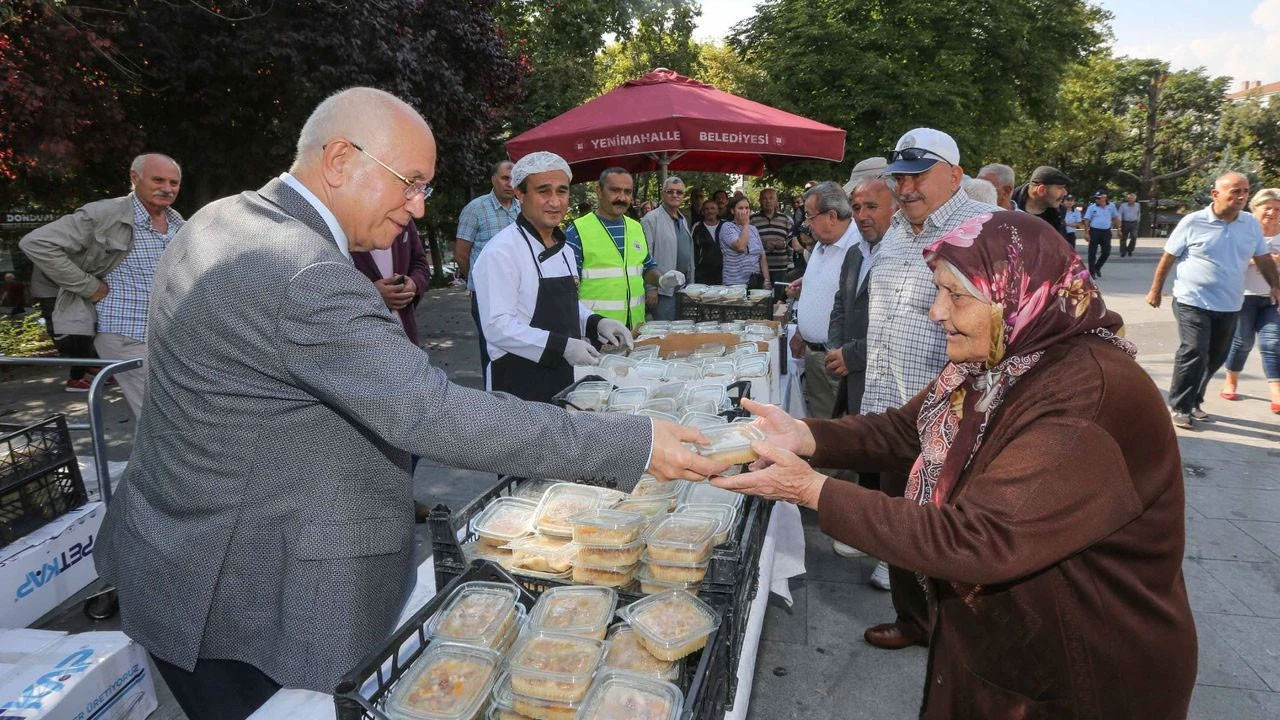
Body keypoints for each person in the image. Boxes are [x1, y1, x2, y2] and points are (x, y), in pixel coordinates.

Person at [92, 88, 725, 720]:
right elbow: (430, 412)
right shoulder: (300, 269)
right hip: (245, 597)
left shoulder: (221, 217)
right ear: (340, 159)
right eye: (411, 182)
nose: (419, 206)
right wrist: (634, 442)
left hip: (182, 556)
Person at [714, 210, 1196, 720]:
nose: (936, 312)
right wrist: (806, 434)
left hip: (1081, 671)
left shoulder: (1087, 399)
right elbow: (909, 429)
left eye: (956, 296)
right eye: (938, 291)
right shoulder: (1005, 357)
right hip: (1004, 646)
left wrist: (812, 490)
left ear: (1017, 292)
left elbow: (978, 539)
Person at [859, 126, 999, 651]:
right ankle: (914, 621)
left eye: (919, 175)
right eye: (900, 177)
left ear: (956, 175)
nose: (906, 187)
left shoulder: (983, 228)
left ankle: (967, 633)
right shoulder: (896, 231)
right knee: (901, 521)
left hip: (956, 415)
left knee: (954, 528)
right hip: (893, 409)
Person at [20, 153, 184, 415]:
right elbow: (36, 243)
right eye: (158, 180)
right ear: (135, 178)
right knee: (162, 418)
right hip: (126, 334)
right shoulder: (105, 214)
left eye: (173, 183)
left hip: (170, 336)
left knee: (177, 415)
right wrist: (89, 287)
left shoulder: (177, 222)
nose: (167, 188)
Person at [473, 152, 634, 402]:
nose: (555, 202)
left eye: (562, 191)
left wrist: (596, 323)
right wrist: (563, 346)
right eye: (543, 191)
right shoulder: (501, 251)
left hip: (562, 376)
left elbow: (566, 307)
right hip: (518, 381)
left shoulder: (565, 250)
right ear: (520, 193)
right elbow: (498, 327)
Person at [1147, 172, 1280, 428]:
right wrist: (1156, 289)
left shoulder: (1250, 224)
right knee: (1194, 350)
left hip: (1230, 303)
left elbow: (1263, 258)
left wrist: (1275, 285)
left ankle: (1194, 401)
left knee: (1216, 356)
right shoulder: (1193, 222)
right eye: (1235, 191)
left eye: (1245, 191)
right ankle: (1180, 406)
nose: (1242, 196)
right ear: (1215, 194)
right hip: (1191, 299)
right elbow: (1169, 256)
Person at [826, 175, 893, 565]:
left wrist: (852, 354)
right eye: (857, 207)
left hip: (886, 376)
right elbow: (841, 302)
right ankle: (870, 536)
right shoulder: (855, 253)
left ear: (894, 208)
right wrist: (835, 346)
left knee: (890, 462)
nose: (863, 215)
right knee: (866, 453)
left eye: (872, 207)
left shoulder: (904, 254)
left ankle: (890, 553)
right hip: (854, 376)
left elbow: (903, 327)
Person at [565, 168, 675, 331]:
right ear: (599, 191)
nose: (622, 198)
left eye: (627, 192)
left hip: (635, 329)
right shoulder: (577, 231)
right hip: (596, 331)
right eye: (615, 190)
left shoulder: (636, 227)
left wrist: (661, 280)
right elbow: (566, 290)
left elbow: (647, 267)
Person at [789, 182, 861, 422]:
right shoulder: (823, 241)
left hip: (835, 358)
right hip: (814, 355)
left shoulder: (858, 246)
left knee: (841, 428)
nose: (806, 223)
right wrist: (802, 331)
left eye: (810, 216)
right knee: (821, 425)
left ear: (831, 216)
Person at [1219, 188, 1280, 413]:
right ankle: (1231, 380)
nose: (1272, 213)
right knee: (1242, 341)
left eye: (1277, 209)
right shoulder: (1243, 232)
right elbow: (1224, 261)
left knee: (1272, 343)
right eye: (1268, 208)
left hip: (1273, 298)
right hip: (1243, 296)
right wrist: (1261, 261)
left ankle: (1276, 392)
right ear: (1254, 209)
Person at [455, 161, 520, 366]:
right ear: (493, 179)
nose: (510, 184)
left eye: (514, 179)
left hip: (520, 294)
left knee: (520, 352)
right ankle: (493, 388)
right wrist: (478, 281)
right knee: (492, 353)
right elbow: (461, 255)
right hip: (487, 296)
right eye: (505, 178)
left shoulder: (523, 209)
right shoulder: (475, 209)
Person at [641, 176, 693, 320]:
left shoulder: (683, 219)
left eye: (679, 192)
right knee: (665, 328)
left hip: (682, 289)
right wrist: (650, 288)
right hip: (662, 291)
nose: (675, 195)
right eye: (670, 191)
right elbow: (645, 255)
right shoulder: (650, 219)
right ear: (662, 194)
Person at [718, 196, 769, 287]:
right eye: (741, 208)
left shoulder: (753, 229)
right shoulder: (727, 227)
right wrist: (745, 224)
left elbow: (762, 256)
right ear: (733, 211)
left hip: (754, 283)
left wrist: (766, 280)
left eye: (747, 208)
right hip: (734, 284)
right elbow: (741, 247)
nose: (744, 211)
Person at [752, 187, 795, 290]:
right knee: (761, 297)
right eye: (765, 198)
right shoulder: (752, 220)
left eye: (771, 198)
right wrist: (764, 244)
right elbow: (749, 243)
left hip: (781, 268)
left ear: (776, 201)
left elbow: (792, 242)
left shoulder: (786, 219)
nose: (768, 201)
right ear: (760, 201)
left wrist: (783, 244)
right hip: (759, 270)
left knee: (779, 297)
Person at [1011, 165, 1072, 236]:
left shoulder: (1059, 212)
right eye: (1060, 188)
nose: (1065, 193)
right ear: (1041, 190)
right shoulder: (1006, 207)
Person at [1083, 190, 1119, 278]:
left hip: (1106, 232)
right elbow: (1087, 220)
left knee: (1106, 252)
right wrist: (1086, 232)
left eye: (1099, 198)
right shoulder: (1092, 207)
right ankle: (1091, 272)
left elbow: (1115, 218)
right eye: (1096, 198)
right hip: (1094, 231)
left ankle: (1097, 267)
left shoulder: (1111, 206)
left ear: (1104, 197)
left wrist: (1119, 229)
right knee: (1092, 253)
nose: (1097, 200)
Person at [691, 198, 724, 284]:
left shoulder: (726, 225)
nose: (709, 211)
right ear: (702, 212)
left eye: (712, 208)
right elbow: (692, 249)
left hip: (724, 272)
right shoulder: (697, 227)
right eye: (706, 209)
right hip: (703, 273)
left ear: (717, 211)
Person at [1118, 192, 1141, 257]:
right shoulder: (1123, 205)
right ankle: (1123, 252)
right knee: (1123, 238)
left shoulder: (1137, 205)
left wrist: (1138, 221)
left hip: (1134, 223)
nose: (1130, 200)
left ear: (1135, 199)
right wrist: (1119, 224)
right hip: (1125, 222)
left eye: (1132, 198)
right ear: (1127, 199)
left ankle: (1130, 249)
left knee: (1134, 236)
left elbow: (1139, 213)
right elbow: (1119, 214)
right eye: (1129, 198)